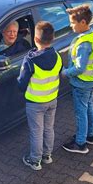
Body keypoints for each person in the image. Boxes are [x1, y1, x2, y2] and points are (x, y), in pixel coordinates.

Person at [18, 21, 62, 170]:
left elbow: (22, 82)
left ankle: (35, 160)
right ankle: (47, 156)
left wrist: (20, 87)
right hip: (52, 99)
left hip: (35, 102)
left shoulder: (30, 60)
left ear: (35, 39)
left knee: (36, 131)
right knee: (49, 128)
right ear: (53, 38)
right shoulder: (57, 56)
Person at [61, 5, 93, 154]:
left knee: (80, 112)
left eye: (72, 23)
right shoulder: (91, 36)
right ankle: (91, 136)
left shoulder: (84, 43)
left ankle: (80, 143)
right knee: (88, 107)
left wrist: (65, 73)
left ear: (83, 22)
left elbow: (79, 68)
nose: (71, 26)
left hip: (82, 82)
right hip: (91, 80)